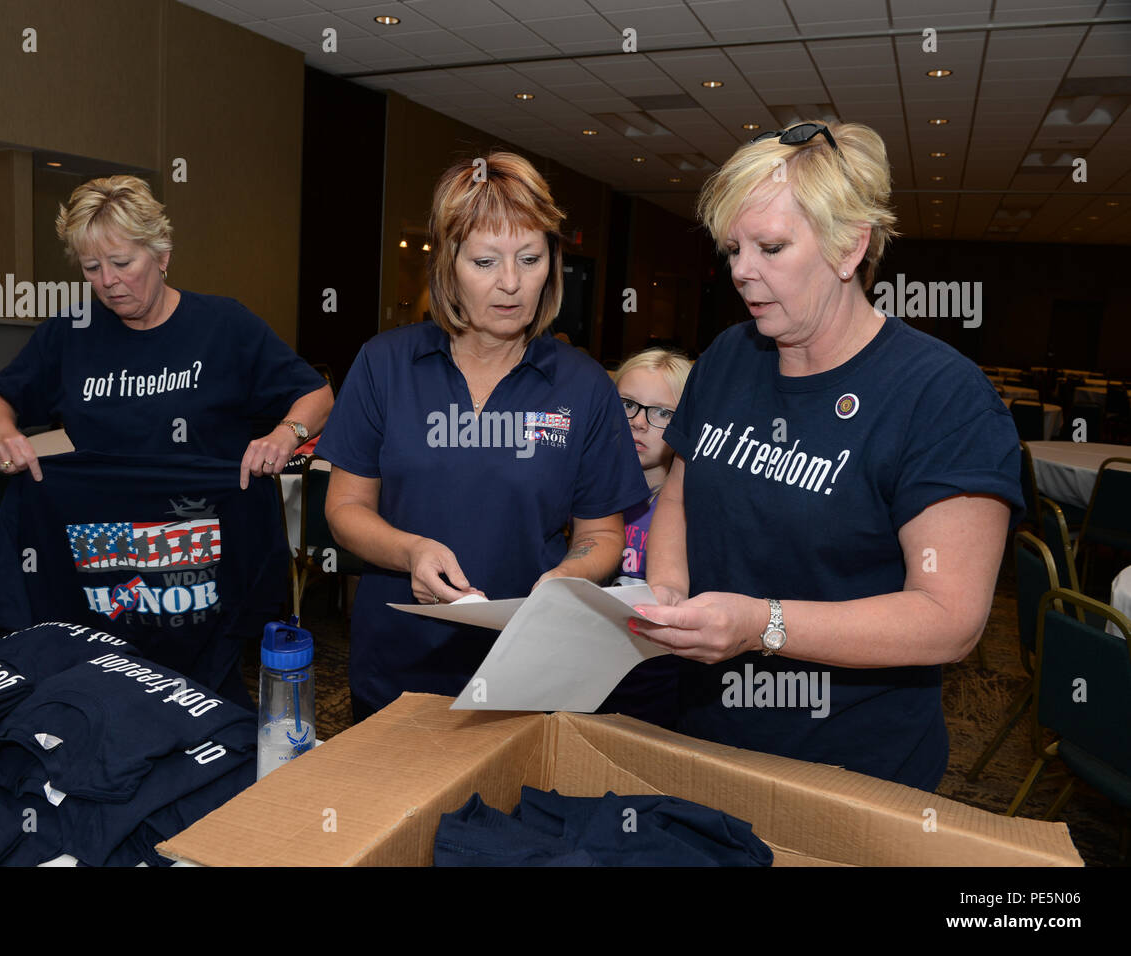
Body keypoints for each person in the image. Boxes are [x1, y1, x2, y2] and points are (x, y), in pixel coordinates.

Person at [630, 122, 1023, 790]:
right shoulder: (728, 357)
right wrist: (666, 592)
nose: (741, 271)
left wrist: (762, 625)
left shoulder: (939, 396)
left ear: (850, 247)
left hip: (853, 764)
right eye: (733, 249)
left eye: (771, 247)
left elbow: (948, 620)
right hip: (708, 732)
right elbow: (677, 497)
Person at [317, 151, 648, 721]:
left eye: (530, 258)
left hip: (528, 667)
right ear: (448, 264)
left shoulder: (584, 385)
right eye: (485, 261)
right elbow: (344, 507)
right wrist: (411, 550)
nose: (512, 284)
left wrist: (563, 583)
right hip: (398, 663)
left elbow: (602, 534)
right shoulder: (384, 365)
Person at [0, 175, 332, 487]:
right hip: (105, 521)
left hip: (206, 521)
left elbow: (319, 396)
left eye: (122, 263)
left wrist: (287, 434)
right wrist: (0, 433)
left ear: (162, 257)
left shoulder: (225, 324)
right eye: (92, 267)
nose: (108, 281)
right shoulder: (70, 331)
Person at [595, 348, 694, 729]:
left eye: (662, 413)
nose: (638, 423)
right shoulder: (588, 496)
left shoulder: (691, 511)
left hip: (660, 681)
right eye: (627, 405)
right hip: (593, 666)